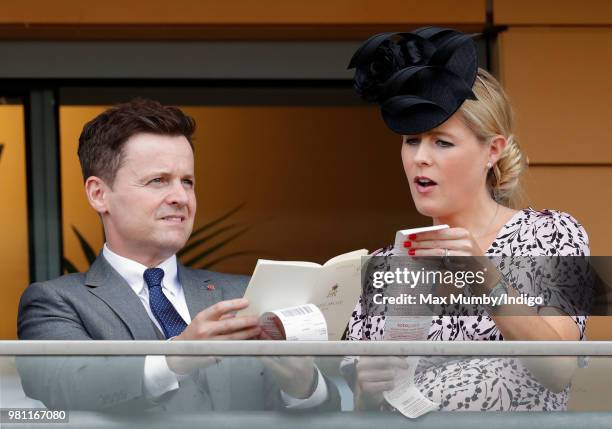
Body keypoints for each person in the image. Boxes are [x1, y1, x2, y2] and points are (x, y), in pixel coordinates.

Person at [17, 98, 339, 412]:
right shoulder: (55, 302)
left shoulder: (244, 295)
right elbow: (67, 384)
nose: (181, 197)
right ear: (99, 194)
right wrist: (176, 358)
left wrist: (305, 386)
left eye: (187, 181)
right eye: (158, 181)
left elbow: (329, 413)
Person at [343, 27, 591, 412]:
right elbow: (363, 411)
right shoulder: (384, 264)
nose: (420, 157)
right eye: (412, 140)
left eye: (442, 141)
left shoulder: (552, 233)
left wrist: (484, 274)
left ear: (492, 150)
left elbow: (558, 369)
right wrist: (368, 388)